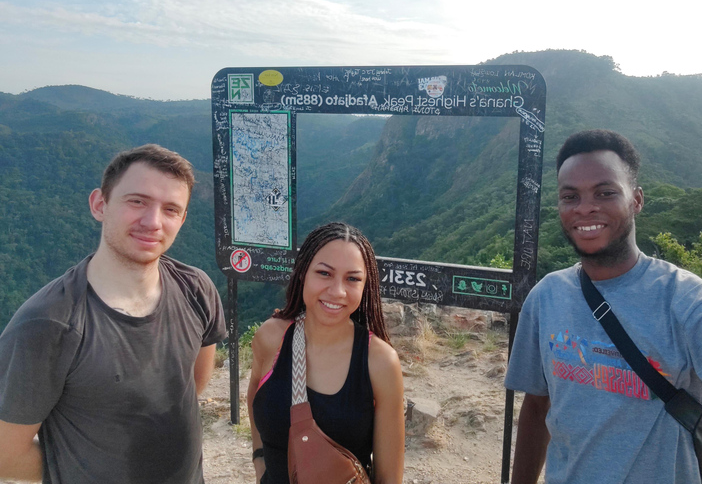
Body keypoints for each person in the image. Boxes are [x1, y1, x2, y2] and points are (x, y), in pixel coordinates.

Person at [505, 129, 702, 484]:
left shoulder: (692, 304)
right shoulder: (547, 296)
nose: (585, 208)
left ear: (637, 200)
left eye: (605, 192)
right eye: (571, 196)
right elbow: (537, 408)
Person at [0, 144, 226, 483]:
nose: (152, 222)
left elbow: (189, 386)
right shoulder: (48, 324)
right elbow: (5, 455)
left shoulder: (196, 289)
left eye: (170, 209)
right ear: (99, 205)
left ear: (181, 220)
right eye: (137, 201)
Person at [247, 222, 404, 484]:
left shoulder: (379, 362)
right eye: (324, 273)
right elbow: (255, 395)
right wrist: (260, 460)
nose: (337, 291)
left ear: (366, 286)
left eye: (352, 279)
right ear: (302, 274)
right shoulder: (271, 338)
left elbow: (389, 477)